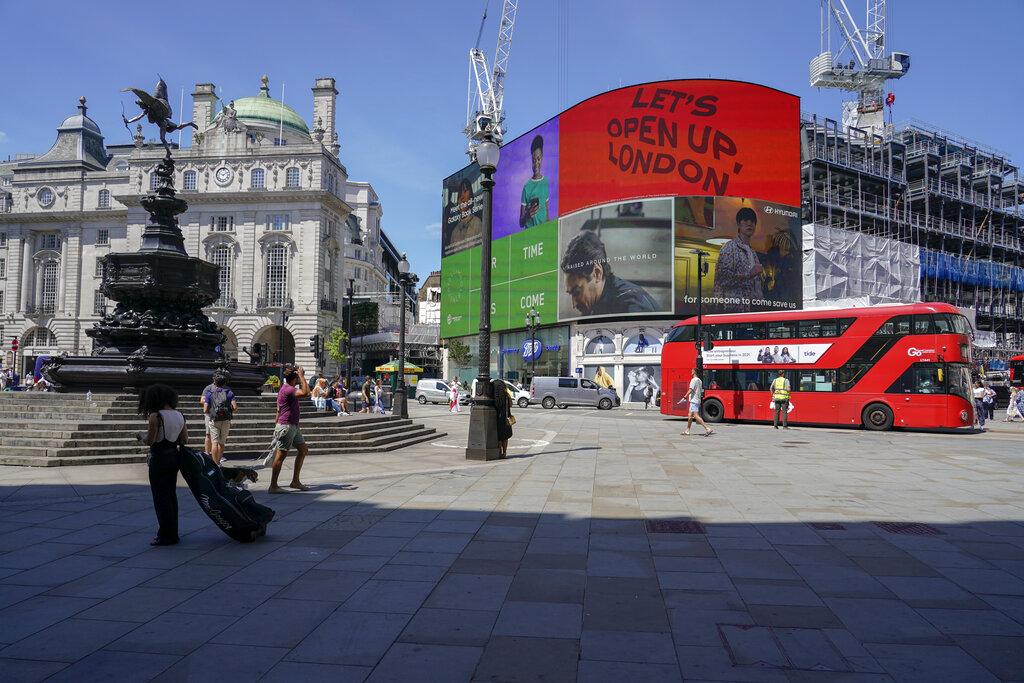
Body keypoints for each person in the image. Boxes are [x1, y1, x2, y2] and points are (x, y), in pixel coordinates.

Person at [560, 230, 659, 316]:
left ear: (597, 273)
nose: (574, 304)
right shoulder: (595, 305)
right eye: (570, 294)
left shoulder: (633, 306)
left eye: (577, 292)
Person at [136, 383, 188, 546]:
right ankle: (173, 532)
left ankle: (166, 535)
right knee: (171, 496)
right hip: (174, 457)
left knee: (161, 497)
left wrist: (140, 435)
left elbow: (150, 440)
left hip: (159, 458)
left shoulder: (156, 417)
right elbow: (185, 439)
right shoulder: (180, 415)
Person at [711, 206, 764, 312]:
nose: (749, 223)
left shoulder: (753, 252)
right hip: (732, 311)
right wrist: (749, 274)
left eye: (753, 221)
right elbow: (723, 280)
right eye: (745, 220)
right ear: (738, 224)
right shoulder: (729, 247)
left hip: (752, 308)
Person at [269, 366, 311, 493]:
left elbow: (278, 410)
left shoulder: (286, 389)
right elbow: (305, 393)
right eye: (298, 377)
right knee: (281, 455)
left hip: (292, 426)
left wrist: (275, 427)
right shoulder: (288, 389)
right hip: (286, 426)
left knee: (303, 450)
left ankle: (295, 482)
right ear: (295, 378)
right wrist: (303, 377)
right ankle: (273, 486)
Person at [203, 373, 237, 465]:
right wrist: (229, 412)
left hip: (214, 420)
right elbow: (235, 408)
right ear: (224, 383)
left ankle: (215, 464)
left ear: (215, 383)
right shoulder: (229, 393)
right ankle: (218, 462)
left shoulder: (210, 394)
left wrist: (212, 413)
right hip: (226, 420)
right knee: (221, 443)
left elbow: (205, 410)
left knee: (214, 442)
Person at [519, 134, 549, 229]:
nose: (536, 163)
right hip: (530, 237)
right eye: (533, 160)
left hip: (544, 233)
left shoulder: (546, 182)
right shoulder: (526, 187)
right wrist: (527, 215)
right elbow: (521, 222)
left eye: (538, 159)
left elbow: (546, 210)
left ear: (542, 158)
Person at [678, 368, 713, 436]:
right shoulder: (699, 380)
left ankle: (707, 428)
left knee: (696, 416)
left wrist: (684, 397)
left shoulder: (693, 380)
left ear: (694, 372)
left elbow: (691, 389)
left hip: (694, 400)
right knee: (690, 415)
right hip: (697, 400)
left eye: (691, 371)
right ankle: (687, 430)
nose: (691, 373)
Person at [492, 378, 514, 458]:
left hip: (498, 419)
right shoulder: (506, 395)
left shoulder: (495, 397)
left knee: (499, 438)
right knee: (505, 437)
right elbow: (511, 405)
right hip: (507, 418)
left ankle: (499, 453)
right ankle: (504, 453)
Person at [199, 373, 217, 456]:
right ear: (213, 378)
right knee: (208, 434)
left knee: (218, 436)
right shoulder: (209, 388)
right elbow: (202, 400)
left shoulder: (226, 389)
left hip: (221, 415)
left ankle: (217, 454)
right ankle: (207, 453)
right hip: (210, 414)